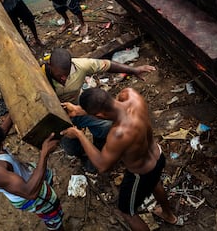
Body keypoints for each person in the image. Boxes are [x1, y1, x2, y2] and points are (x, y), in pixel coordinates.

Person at [60, 87, 183, 230]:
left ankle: (165, 215)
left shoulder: (119, 133)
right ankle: (169, 215)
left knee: (127, 212)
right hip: (158, 156)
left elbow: (102, 165)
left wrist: (79, 134)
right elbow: (108, 108)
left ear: (99, 114)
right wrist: (79, 110)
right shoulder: (130, 95)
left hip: (141, 173)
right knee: (155, 182)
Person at [42, 47, 156, 171]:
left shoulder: (81, 66)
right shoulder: (39, 75)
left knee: (105, 127)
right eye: (59, 75)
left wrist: (133, 70)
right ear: (50, 65)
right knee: (71, 148)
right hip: (57, 115)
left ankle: (100, 149)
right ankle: (83, 155)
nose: (64, 79)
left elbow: (108, 65)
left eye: (66, 74)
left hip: (76, 106)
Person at [0, 114, 64, 231]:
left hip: (26, 173)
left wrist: (13, 111)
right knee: (52, 212)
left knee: (46, 175)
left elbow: (0, 133)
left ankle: (48, 187)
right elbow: (30, 193)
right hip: (29, 193)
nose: (2, 145)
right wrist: (44, 154)